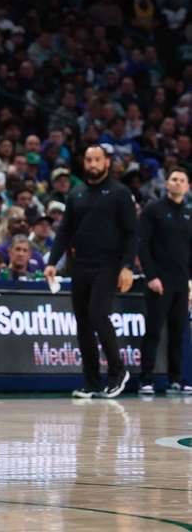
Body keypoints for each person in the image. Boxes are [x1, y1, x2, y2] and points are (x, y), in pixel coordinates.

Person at [44, 145, 137, 399]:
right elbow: (64, 231)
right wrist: (52, 261)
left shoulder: (120, 193)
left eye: (97, 159)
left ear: (107, 162)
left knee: (98, 314)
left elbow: (132, 233)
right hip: (80, 265)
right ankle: (92, 381)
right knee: (83, 323)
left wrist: (127, 267)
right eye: (88, 160)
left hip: (108, 264)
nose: (92, 164)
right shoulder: (76, 194)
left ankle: (118, 372)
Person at [137, 167, 192, 395]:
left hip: (182, 282)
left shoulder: (189, 214)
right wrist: (151, 276)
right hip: (159, 281)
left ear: (187, 187)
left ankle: (176, 379)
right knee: (153, 331)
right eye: (173, 179)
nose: (177, 183)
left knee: (178, 332)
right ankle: (146, 379)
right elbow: (143, 244)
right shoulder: (153, 210)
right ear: (166, 184)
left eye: (182, 180)